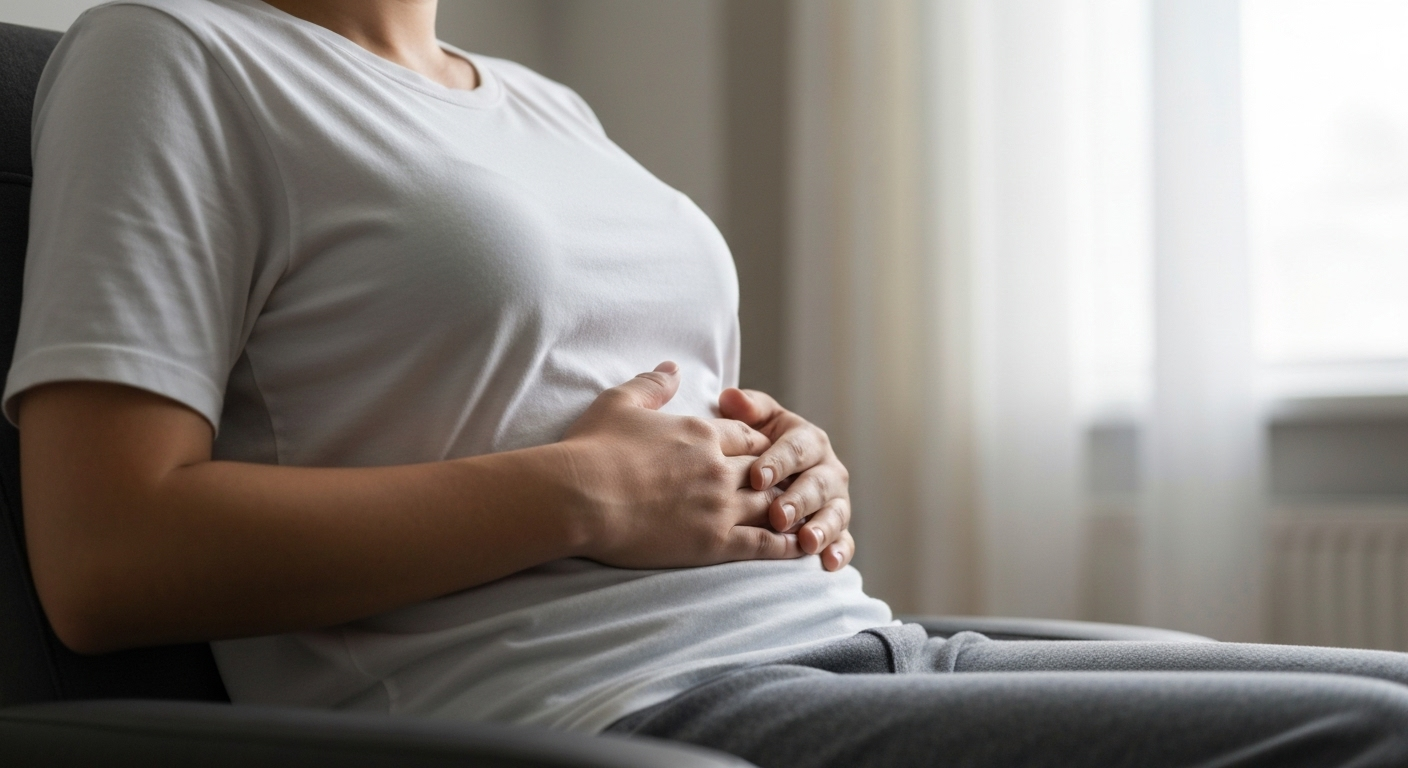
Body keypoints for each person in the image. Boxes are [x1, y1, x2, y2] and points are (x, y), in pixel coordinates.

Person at [9, 1, 1408, 766]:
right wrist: (584, 493)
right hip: (604, 710)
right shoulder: (174, 54)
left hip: (858, 644)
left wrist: (784, 460)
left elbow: (597, 392)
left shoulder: (542, 105)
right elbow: (108, 553)